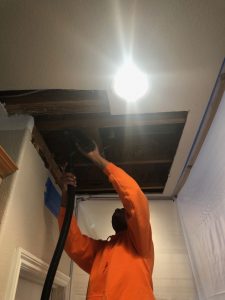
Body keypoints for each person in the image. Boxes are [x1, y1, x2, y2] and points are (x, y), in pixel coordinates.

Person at [58, 142, 155, 300]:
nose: (118, 210)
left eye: (123, 210)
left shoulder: (140, 244)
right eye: (118, 210)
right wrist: (65, 196)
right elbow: (71, 242)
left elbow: (135, 199)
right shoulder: (101, 251)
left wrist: (97, 159)